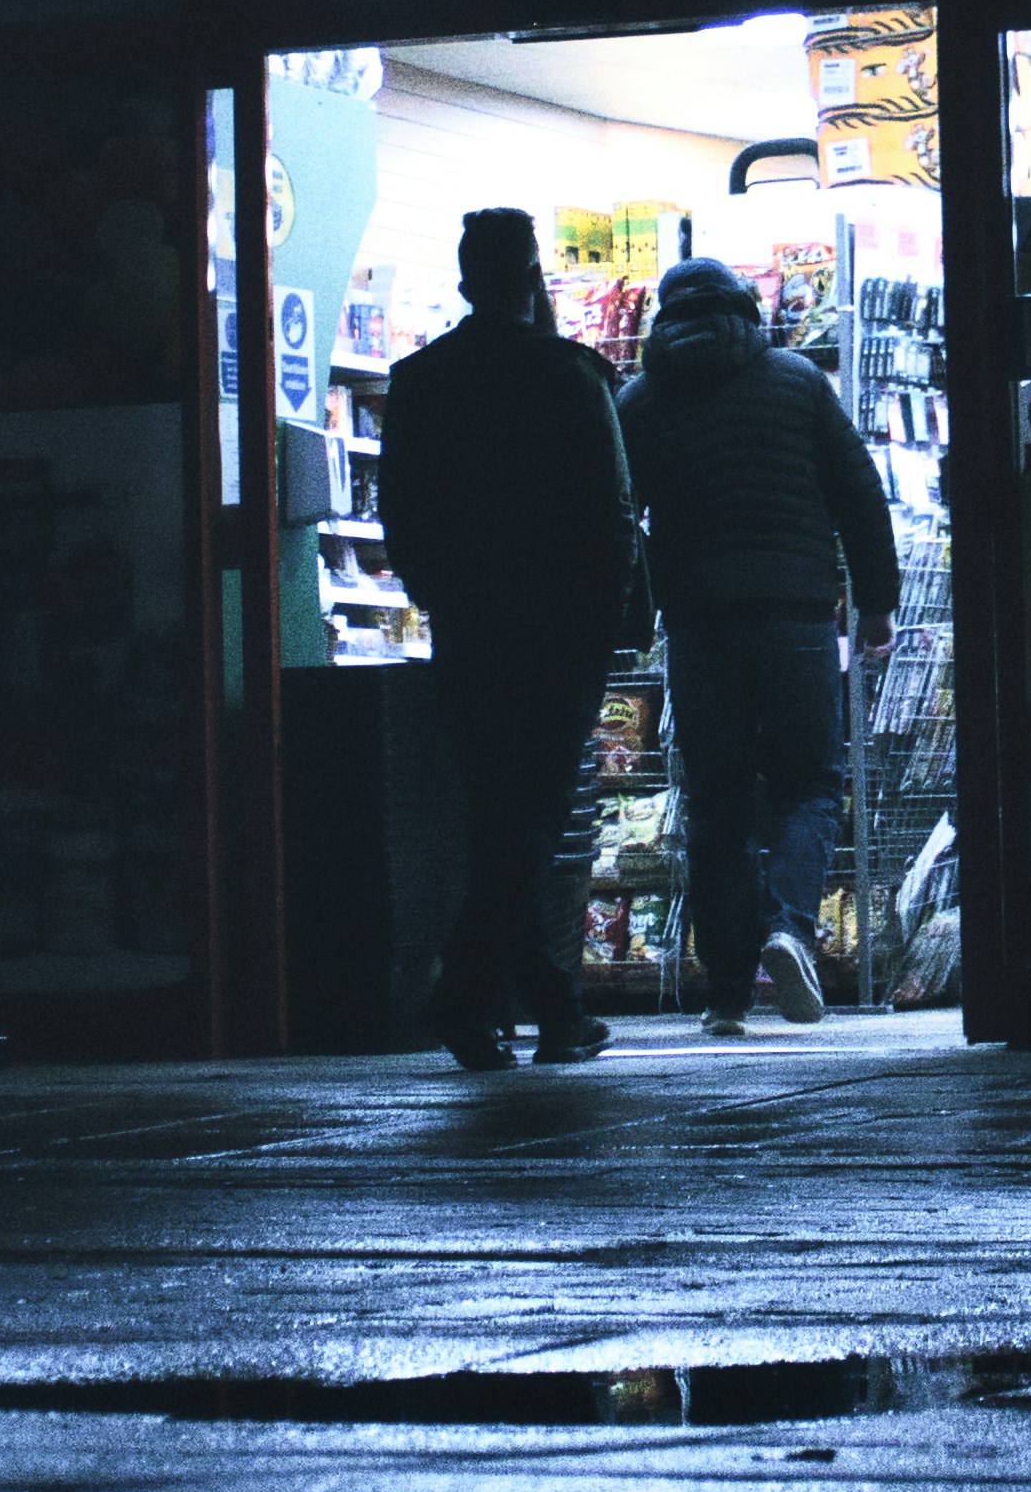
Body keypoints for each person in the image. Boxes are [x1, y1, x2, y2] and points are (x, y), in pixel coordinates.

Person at [377, 207, 641, 1070]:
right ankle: (465, 999)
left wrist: (438, 594)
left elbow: (402, 516)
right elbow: (611, 515)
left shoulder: (421, 380)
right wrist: (617, 623)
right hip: (556, 632)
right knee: (526, 820)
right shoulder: (571, 376)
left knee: (501, 815)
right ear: (532, 277)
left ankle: (551, 1010)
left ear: (464, 282)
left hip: (470, 627)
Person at [618, 254, 898, 1034]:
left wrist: (632, 611)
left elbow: (615, 515)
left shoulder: (639, 399)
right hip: (797, 613)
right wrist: (877, 603)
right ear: (747, 309)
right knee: (810, 781)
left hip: (700, 622)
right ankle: (790, 926)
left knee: (717, 802)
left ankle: (726, 996)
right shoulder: (797, 381)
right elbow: (858, 492)